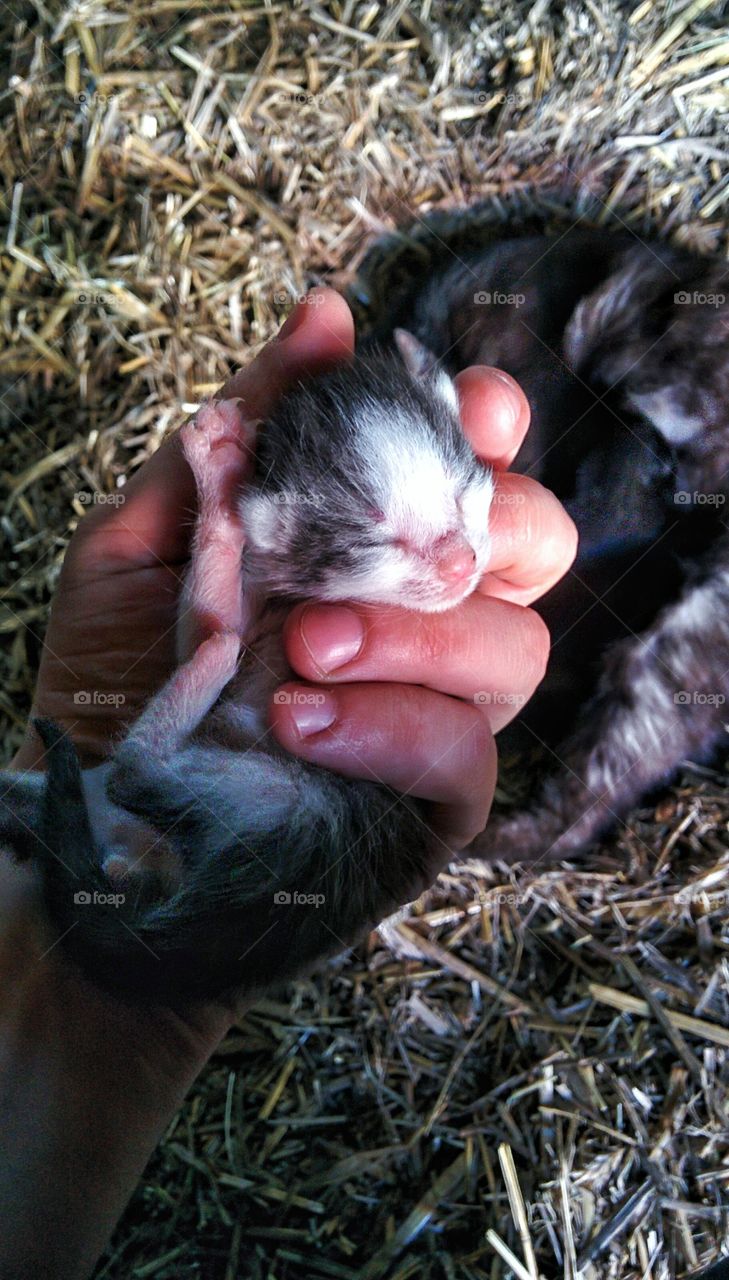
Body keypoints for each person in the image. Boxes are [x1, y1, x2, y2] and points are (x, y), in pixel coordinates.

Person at [0, 289, 576, 1279]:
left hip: (209, 850)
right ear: (285, 534)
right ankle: (67, 812)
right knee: (161, 789)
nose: (450, 557)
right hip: (240, 833)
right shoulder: (265, 545)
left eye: (461, 498)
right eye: (389, 541)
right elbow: (217, 627)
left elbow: (217, 641)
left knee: (145, 792)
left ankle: (63, 812)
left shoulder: (283, 555)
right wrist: (222, 504)